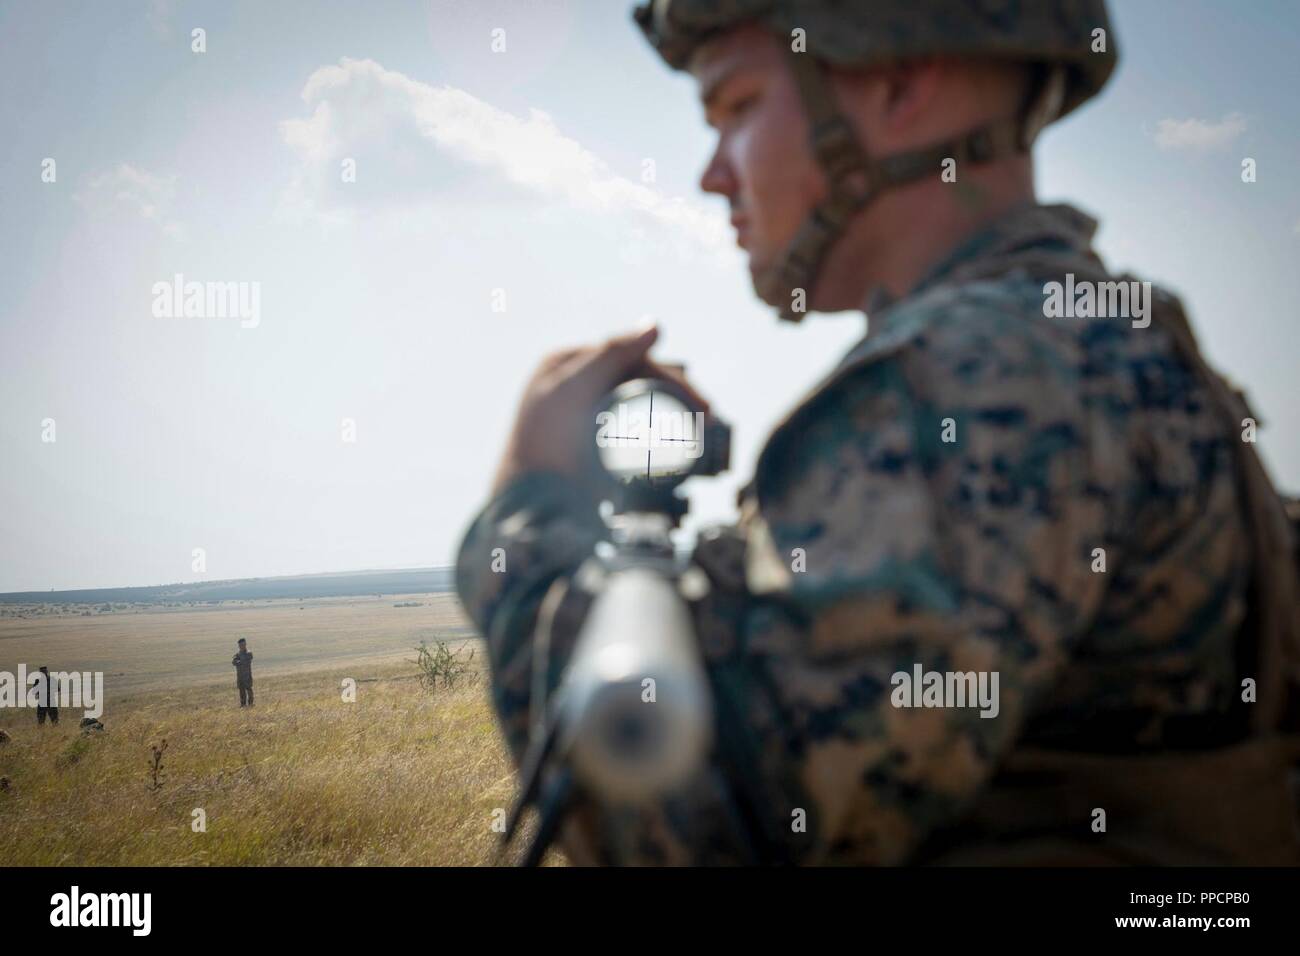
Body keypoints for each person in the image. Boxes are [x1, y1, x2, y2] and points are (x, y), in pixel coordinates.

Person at [455, 0, 1300, 864]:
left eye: (738, 108)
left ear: (899, 82)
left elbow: (692, 826)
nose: (713, 175)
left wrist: (527, 499)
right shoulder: (1104, 336)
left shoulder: (980, 376)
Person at [232, 639, 254, 708]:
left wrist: (239, 661)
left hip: (247, 675)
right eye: (240, 645)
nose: (242, 646)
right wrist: (239, 661)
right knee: (241, 691)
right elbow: (234, 662)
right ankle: (243, 704)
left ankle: (250, 703)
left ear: (245, 644)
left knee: (249, 689)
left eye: (243, 644)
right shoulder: (237, 654)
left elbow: (246, 661)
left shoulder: (248, 653)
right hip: (240, 676)